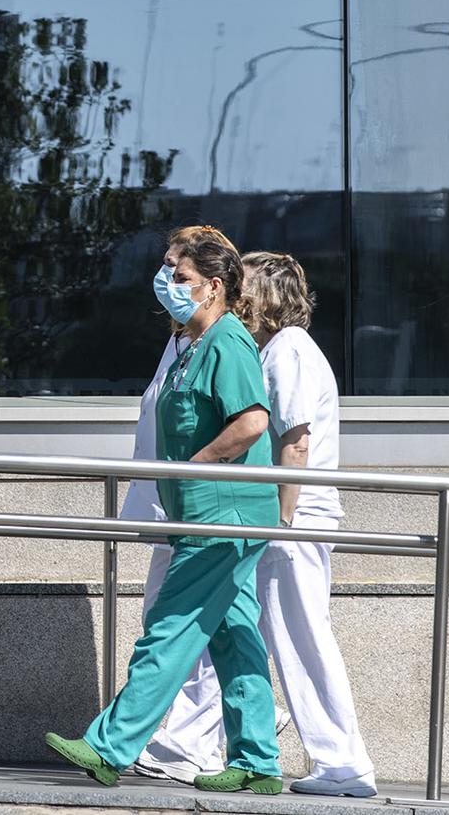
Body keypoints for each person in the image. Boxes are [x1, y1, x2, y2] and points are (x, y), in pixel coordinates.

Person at [44, 224, 283, 794]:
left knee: (169, 629)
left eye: (181, 277)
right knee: (233, 633)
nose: (168, 285)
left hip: (224, 513)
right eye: (167, 274)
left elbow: (253, 421)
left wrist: (194, 466)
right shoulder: (190, 344)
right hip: (204, 513)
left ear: (215, 286)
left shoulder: (226, 341)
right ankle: (258, 761)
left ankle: (109, 747)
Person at [134, 253, 376, 797]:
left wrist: (282, 521)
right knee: (236, 631)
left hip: (291, 517)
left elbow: (295, 441)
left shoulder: (288, 349)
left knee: (298, 638)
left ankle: (342, 763)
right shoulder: (268, 349)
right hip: (269, 515)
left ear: (262, 295)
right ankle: (197, 744)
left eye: (244, 286)